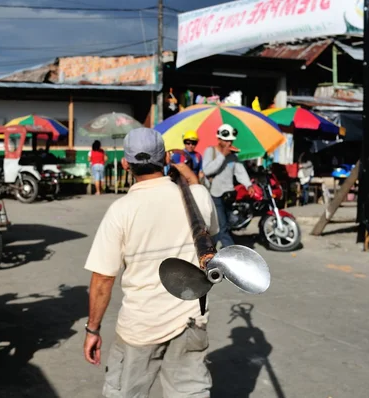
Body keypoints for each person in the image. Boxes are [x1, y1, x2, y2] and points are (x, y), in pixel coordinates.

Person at [83, 127, 219, 398]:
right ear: (166, 158)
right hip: (190, 320)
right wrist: (189, 177)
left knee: (125, 393)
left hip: (139, 326)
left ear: (125, 164)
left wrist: (92, 329)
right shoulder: (199, 198)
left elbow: (102, 281)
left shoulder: (120, 211)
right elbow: (210, 239)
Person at [202, 124, 255, 248]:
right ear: (219, 139)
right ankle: (232, 253)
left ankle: (209, 249)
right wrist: (222, 156)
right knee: (222, 227)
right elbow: (207, 170)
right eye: (226, 140)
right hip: (215, 194)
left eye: (230, 140)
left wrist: (248, 185)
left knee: (222, 225)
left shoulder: (233, 156)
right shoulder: (211, 151)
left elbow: (240, 172)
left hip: (229, 194)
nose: (229, 143)